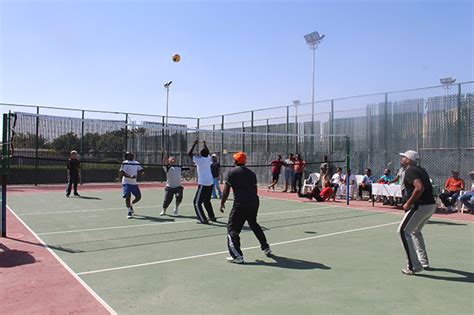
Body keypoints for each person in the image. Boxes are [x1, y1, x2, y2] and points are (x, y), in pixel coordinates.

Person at [220, 151, 271, 264]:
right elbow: (255, 190)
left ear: (236, 161)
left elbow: (226, 190)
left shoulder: (231, 172)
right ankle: (266, 246)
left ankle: (237, 256)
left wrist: (222, 203)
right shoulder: (251, 173)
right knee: (253, 224)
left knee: (232, 229)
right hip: (254, 202)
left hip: (241, 204)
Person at [397, 150, 436, 275]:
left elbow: (419, 187)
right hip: (430, 205)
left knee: (403, 232)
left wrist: (408, 203)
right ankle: (423, 261)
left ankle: (414, 266)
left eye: (403, 157)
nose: (401, 158)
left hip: (420, 206)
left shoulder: (410, 171)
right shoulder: (421, 170)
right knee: (415, 231)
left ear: (409, 160)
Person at [188, 140, 216, 223]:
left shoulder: (199, 160)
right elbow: (207, 152)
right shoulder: (208, 158)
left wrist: (194, 144)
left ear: (201, 154)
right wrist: (204, 144)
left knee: (196, 202)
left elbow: (189, 154)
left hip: (204, 183)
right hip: (210, 182)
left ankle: (203, 219)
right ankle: (212, 217)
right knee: (207, 201)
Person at [120, 152, 144, 219]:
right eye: (130, 155)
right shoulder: (125, 162)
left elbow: (141, 169)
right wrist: (130, 176)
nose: (132, 155)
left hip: (134, 183)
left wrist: (142, 173)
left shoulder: (136, 162)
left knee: (138, 197)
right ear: (127, 156)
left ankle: (131, 204)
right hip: (126, 183)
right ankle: (129, 211)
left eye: (132, 154)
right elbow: (122, 172)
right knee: (128, 196)